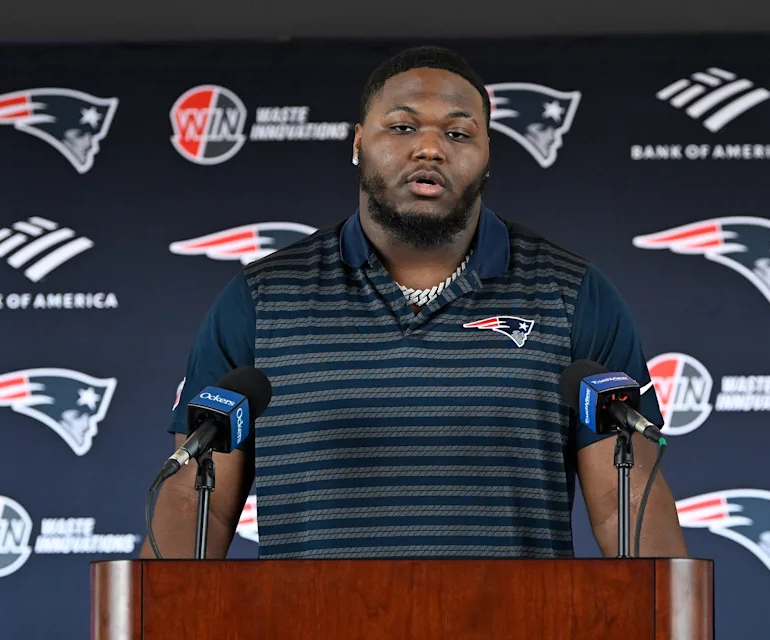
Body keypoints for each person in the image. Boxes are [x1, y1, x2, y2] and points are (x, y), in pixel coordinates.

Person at [141, 45, 687, 560]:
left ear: (488, 153)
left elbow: (627, 509)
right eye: (402, 127)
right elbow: (198, 511)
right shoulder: (260, 299)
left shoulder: (573, 293)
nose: (429, 148)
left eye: (458, 132)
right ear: (357, 143)